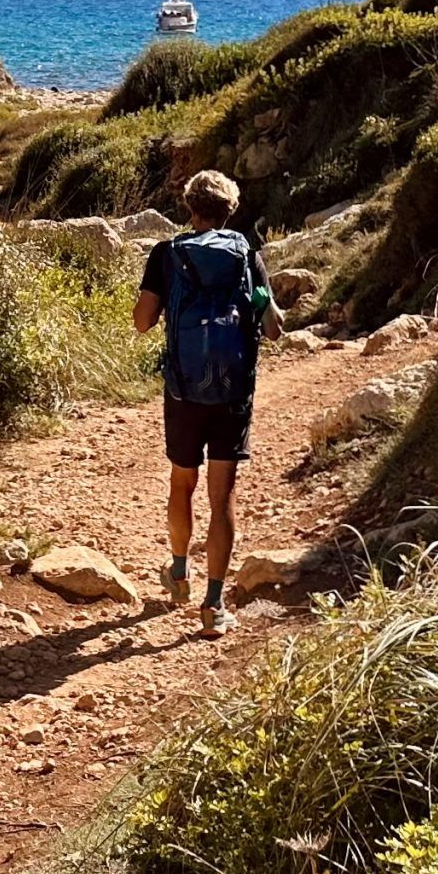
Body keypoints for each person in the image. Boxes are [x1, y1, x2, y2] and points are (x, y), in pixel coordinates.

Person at [132, 167, 282, 636]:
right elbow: (274, 329)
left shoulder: (167, 254)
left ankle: (179, 574)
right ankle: (214, 606)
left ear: (190, 208)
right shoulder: (247, 255)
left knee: (182, 484)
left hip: (183, 389)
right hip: (233, 391)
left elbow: (141, 322)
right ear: (231, 209)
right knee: (223, 497)